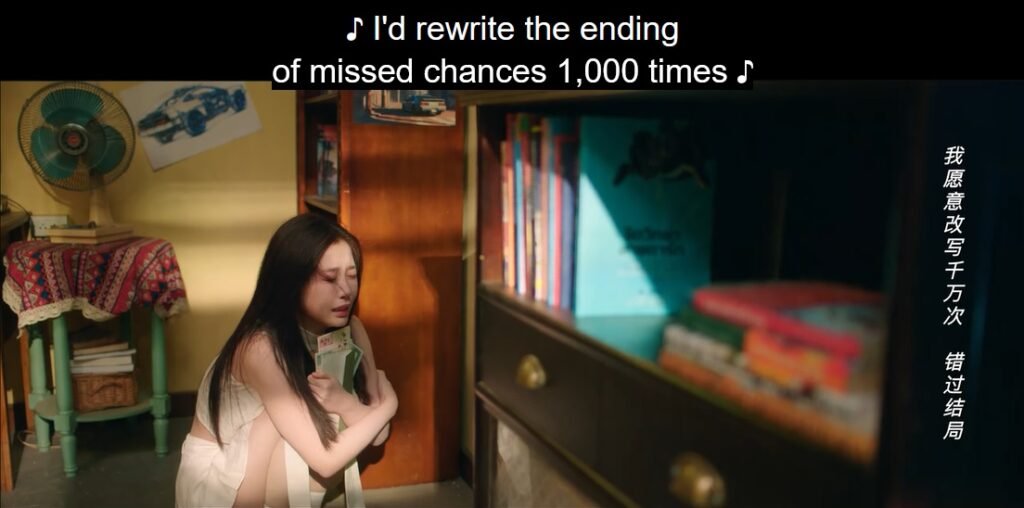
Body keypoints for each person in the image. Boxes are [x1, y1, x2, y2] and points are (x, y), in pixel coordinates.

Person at [175, 213, 397, 508]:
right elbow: (326, 460)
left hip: (270, 467)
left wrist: (345, 403)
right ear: (292, 281)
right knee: (288, 422)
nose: (345, 291)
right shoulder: (260, 347)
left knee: (325, 417)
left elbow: (379, 436)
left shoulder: (352, 329)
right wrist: (389, 406)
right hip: (221, 482)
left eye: (352, 275)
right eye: (329, 278)